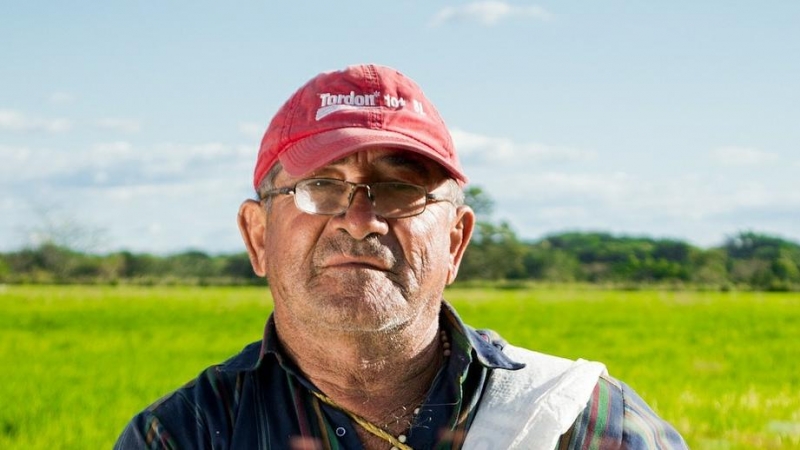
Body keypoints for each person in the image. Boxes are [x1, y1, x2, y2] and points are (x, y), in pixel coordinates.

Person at [114, 64, 688, 449]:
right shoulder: (187, 435)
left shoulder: (583, 425)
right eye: (320, 187)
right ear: (258, 235)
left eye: (399, 189)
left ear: (455, 241)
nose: (360, 220)